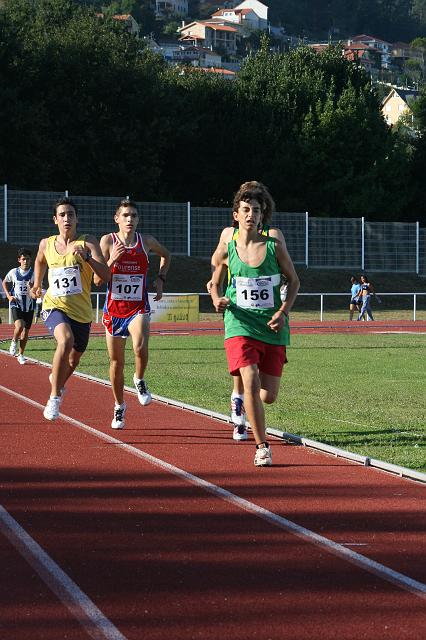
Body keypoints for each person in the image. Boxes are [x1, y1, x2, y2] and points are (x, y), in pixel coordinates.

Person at [210, 182, 300, 467]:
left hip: (272, 326)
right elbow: (214, 278)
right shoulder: (228, 244)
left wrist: (284, 311)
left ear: (263, 215)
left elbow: (295, 281)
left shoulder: (274, 245)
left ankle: (244, 399)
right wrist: (216, 297)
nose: (251, 215)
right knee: (249, 379)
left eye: (256, 210)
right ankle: (262, 446)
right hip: (239, 322)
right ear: (236, 214)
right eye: (246, 210)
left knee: (267, 396)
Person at [94, 199, 171, 430]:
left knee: (139, 347)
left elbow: (167, 255)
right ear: (117, 218)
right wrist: (112, 259)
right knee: (116, 362)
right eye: (125, 215)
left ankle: (139, 379)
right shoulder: (108, 241)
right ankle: (119, 406)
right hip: (113, 310)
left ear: (138, 220)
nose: (130, 219)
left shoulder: (145, 242)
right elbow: (98, 280)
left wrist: (160, 278)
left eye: (134, 216)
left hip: (138, 307)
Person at [31, 197, 110, 421]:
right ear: (55, 219)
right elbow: (39, 261)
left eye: (71, 214)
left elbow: (105, 276)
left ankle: (58, 381)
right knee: (64, 340)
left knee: (73, 361)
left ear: (77, 218)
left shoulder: (88, 243)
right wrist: (37, 284)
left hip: (82, 313)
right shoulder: (46, 243)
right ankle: (54, 397)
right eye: (63, 215)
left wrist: (88, 259)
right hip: (54, 306)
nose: (67, 218)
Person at [3, 248, 35, 364]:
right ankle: (13, 341)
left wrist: (33, 289)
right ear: (19, 260)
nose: (26, 261)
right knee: (20, 325)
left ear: (31, 260)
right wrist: (8, 296)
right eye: (23, 259)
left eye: (28, 259)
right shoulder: (13, 272)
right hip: (16, 303)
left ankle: (21, 354)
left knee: (26, 332)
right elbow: (4, 282)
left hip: (29, 306)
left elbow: (37, 293)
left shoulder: (34, 274)